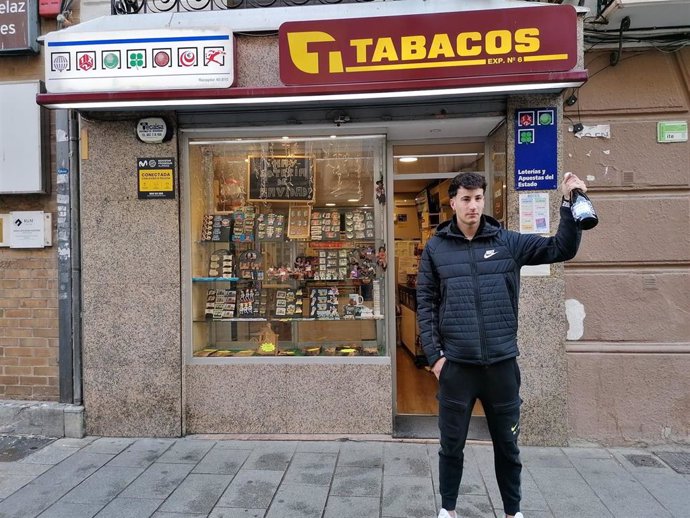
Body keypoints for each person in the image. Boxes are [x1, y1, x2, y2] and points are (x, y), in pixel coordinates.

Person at [416, 171, 587, 518]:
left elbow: (561, 247)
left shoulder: (507, 243)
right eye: (466, 198)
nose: (473, 205)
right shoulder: (436, 248)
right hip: (457, 369)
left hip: (501, 366)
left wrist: (569, 203)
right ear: (452, 203)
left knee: (508, 447)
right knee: (451, 447)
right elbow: (426, 302)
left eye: (478, 198)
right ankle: (447, 510)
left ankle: (513, 512)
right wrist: (435, 358)